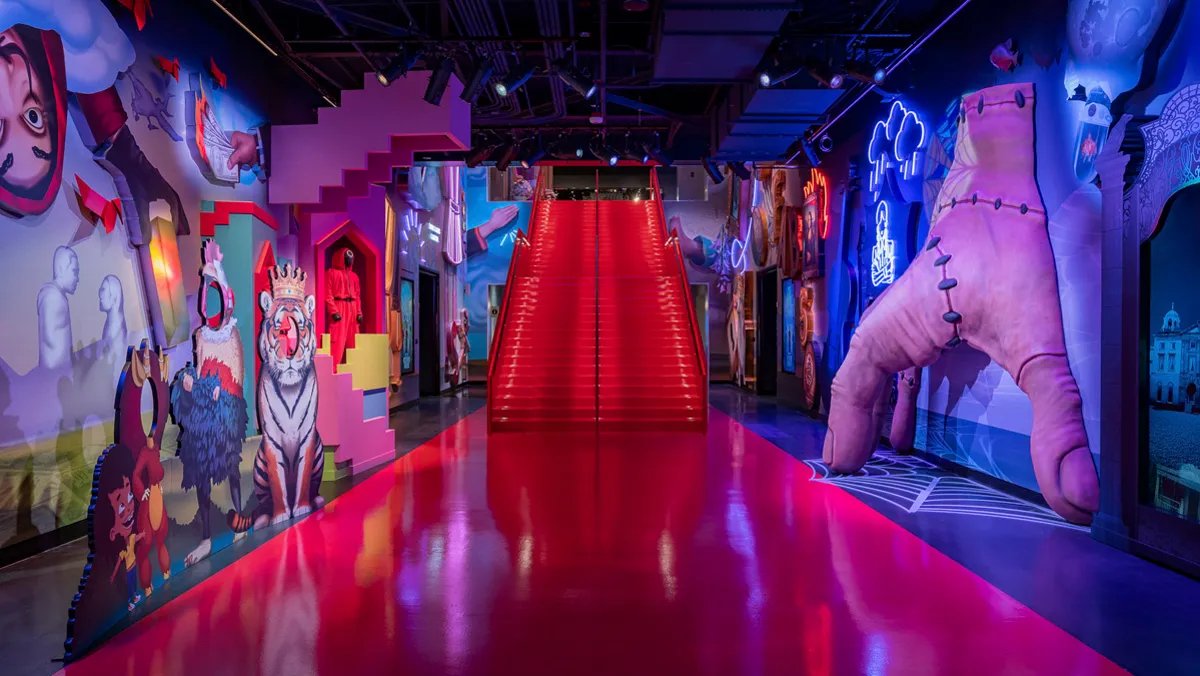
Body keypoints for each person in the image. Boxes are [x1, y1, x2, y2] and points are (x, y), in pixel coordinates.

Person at [37, 245, 77, 370]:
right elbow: (52, 342)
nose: (77, 278)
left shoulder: (55, 295)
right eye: (74, 271)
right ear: (61, 268)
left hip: (59, 376)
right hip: (56, 376)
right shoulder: (53, 297)